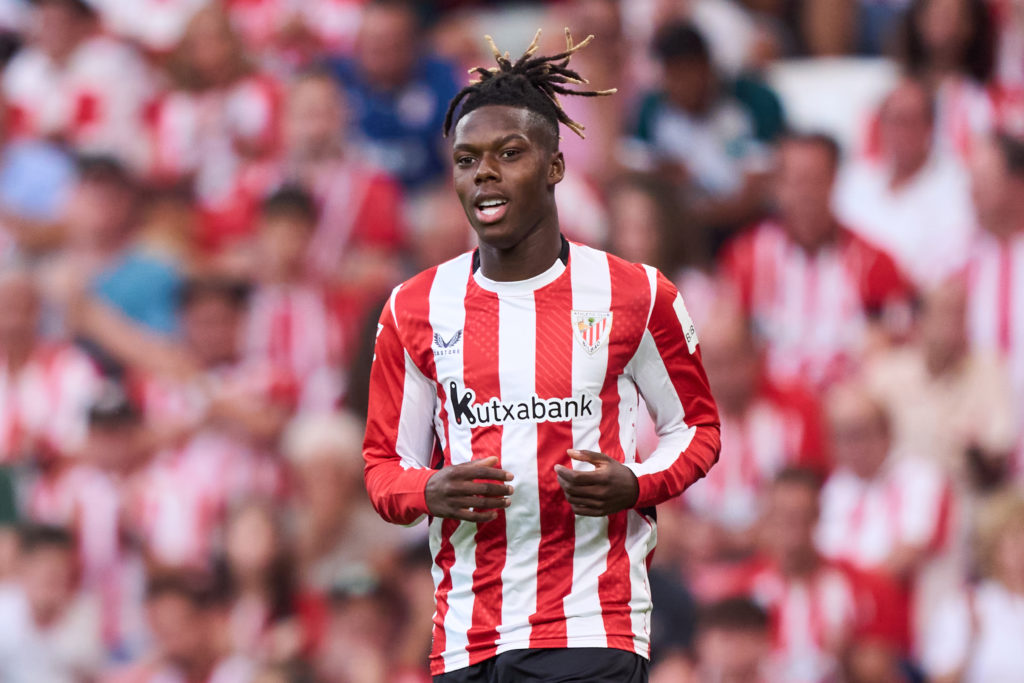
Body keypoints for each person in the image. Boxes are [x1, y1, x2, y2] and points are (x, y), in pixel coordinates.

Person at [362, 29, 721, 682]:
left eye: (509, 153)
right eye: (467, 160)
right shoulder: (413, 308)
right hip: (467, 631)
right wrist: (429, 489)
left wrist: (635, 482)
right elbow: (385, 467)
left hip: (593, 619)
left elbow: (696, 428)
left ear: (554, 166)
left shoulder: (634, 294)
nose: (485, 173)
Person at [721, 132, 913, 388]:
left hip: (848, 406)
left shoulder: (873, 263)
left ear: (835, 181)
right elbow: (724, 342)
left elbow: (901, 345)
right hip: (771, 406)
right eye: (796, 181)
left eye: (816, 180)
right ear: (777, 187)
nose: (806, 194)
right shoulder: (746, 258)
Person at [835, 79, 975, 288]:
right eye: (892, 121)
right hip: (852, 298)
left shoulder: (957, 184)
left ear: (930, 127)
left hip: (919, 303)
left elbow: (952, 262)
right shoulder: (856, 179)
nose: (900, 132)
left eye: (909, 121)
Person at [327, 0, 458, 191]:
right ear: (357, 44)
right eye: (375, 43)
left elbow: (457, 147)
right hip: (351, 200)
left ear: (414, 44)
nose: (384, 53)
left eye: (394, 43)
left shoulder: (438, 78)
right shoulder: (334, 79)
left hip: (423, 197)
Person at [923, 491, 1024, 682]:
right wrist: (970, 643)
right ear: (993, 546)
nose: (1022, 550)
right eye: (1015, 540)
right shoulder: (967, 605)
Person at [0, 524, 104, 683]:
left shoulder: (84, 613)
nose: (51, 574)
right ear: (22, 568)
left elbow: (90, 674)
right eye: (42, 566)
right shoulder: (4, 608)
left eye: (59, 568)